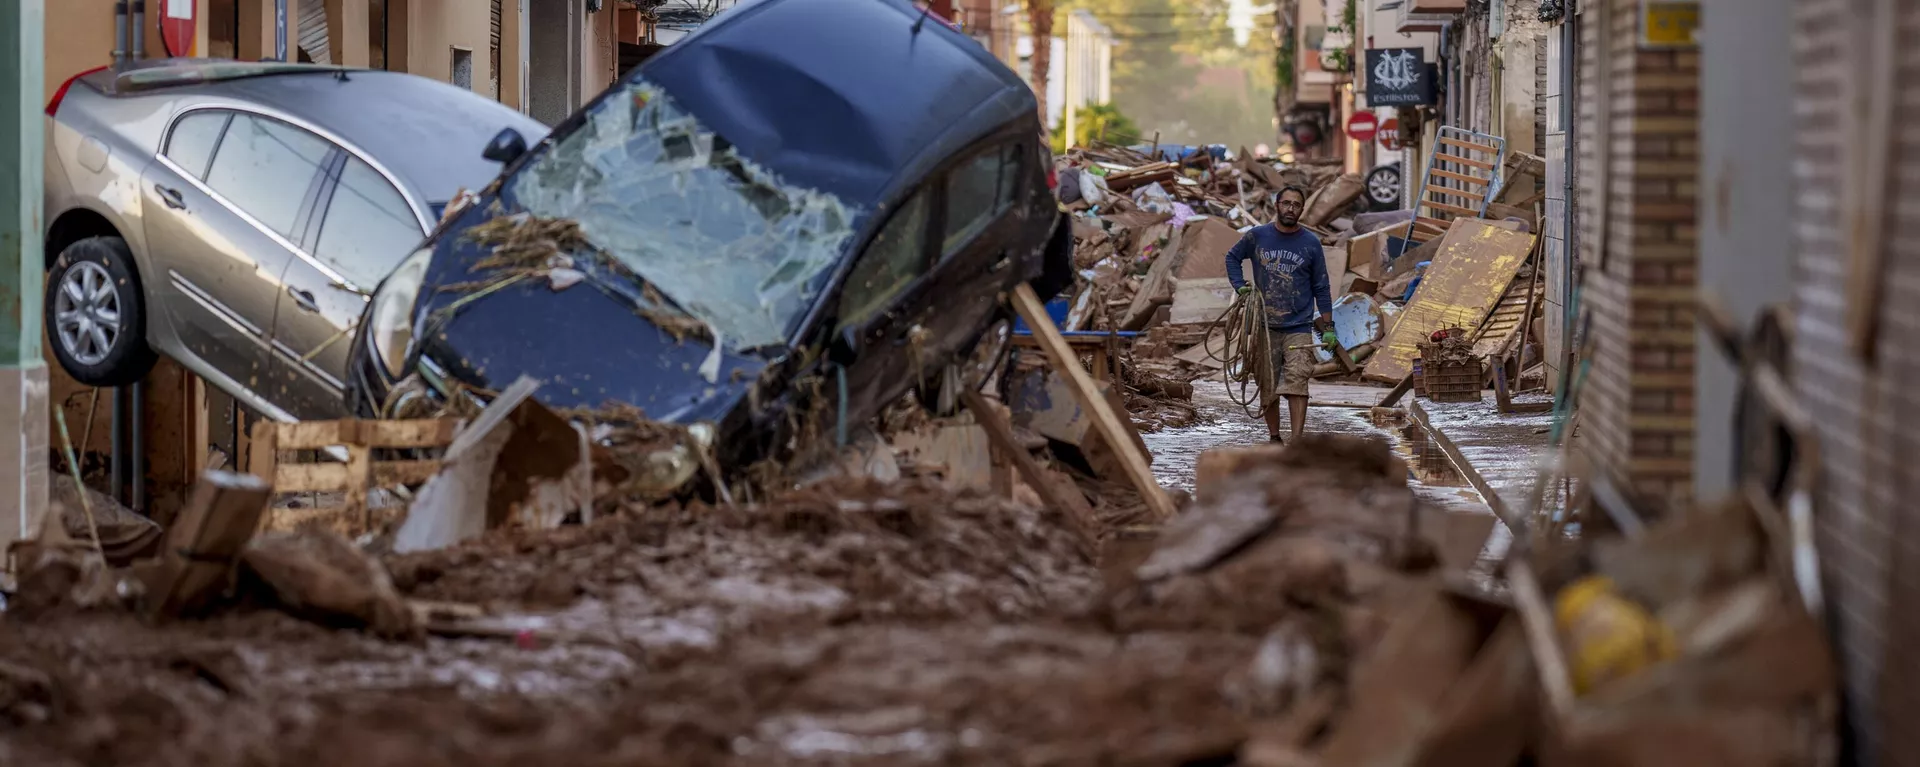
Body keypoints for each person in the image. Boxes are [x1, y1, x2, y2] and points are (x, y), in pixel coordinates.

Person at [1224, 185, 1337, 444]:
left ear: (1302, 209)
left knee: (1298, 383)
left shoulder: (1310, 243)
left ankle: (1296, 441)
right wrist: (1240, 286)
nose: (1290, 209)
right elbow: (1232, 257)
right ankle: (1275, 437)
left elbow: (1321, 285)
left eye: (1296, 205)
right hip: (1265, 324)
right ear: (1277, 205)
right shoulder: (1257, 236)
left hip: (1298, 325)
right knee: (1268, 384)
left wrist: (1329, 327)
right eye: (1286, 203)